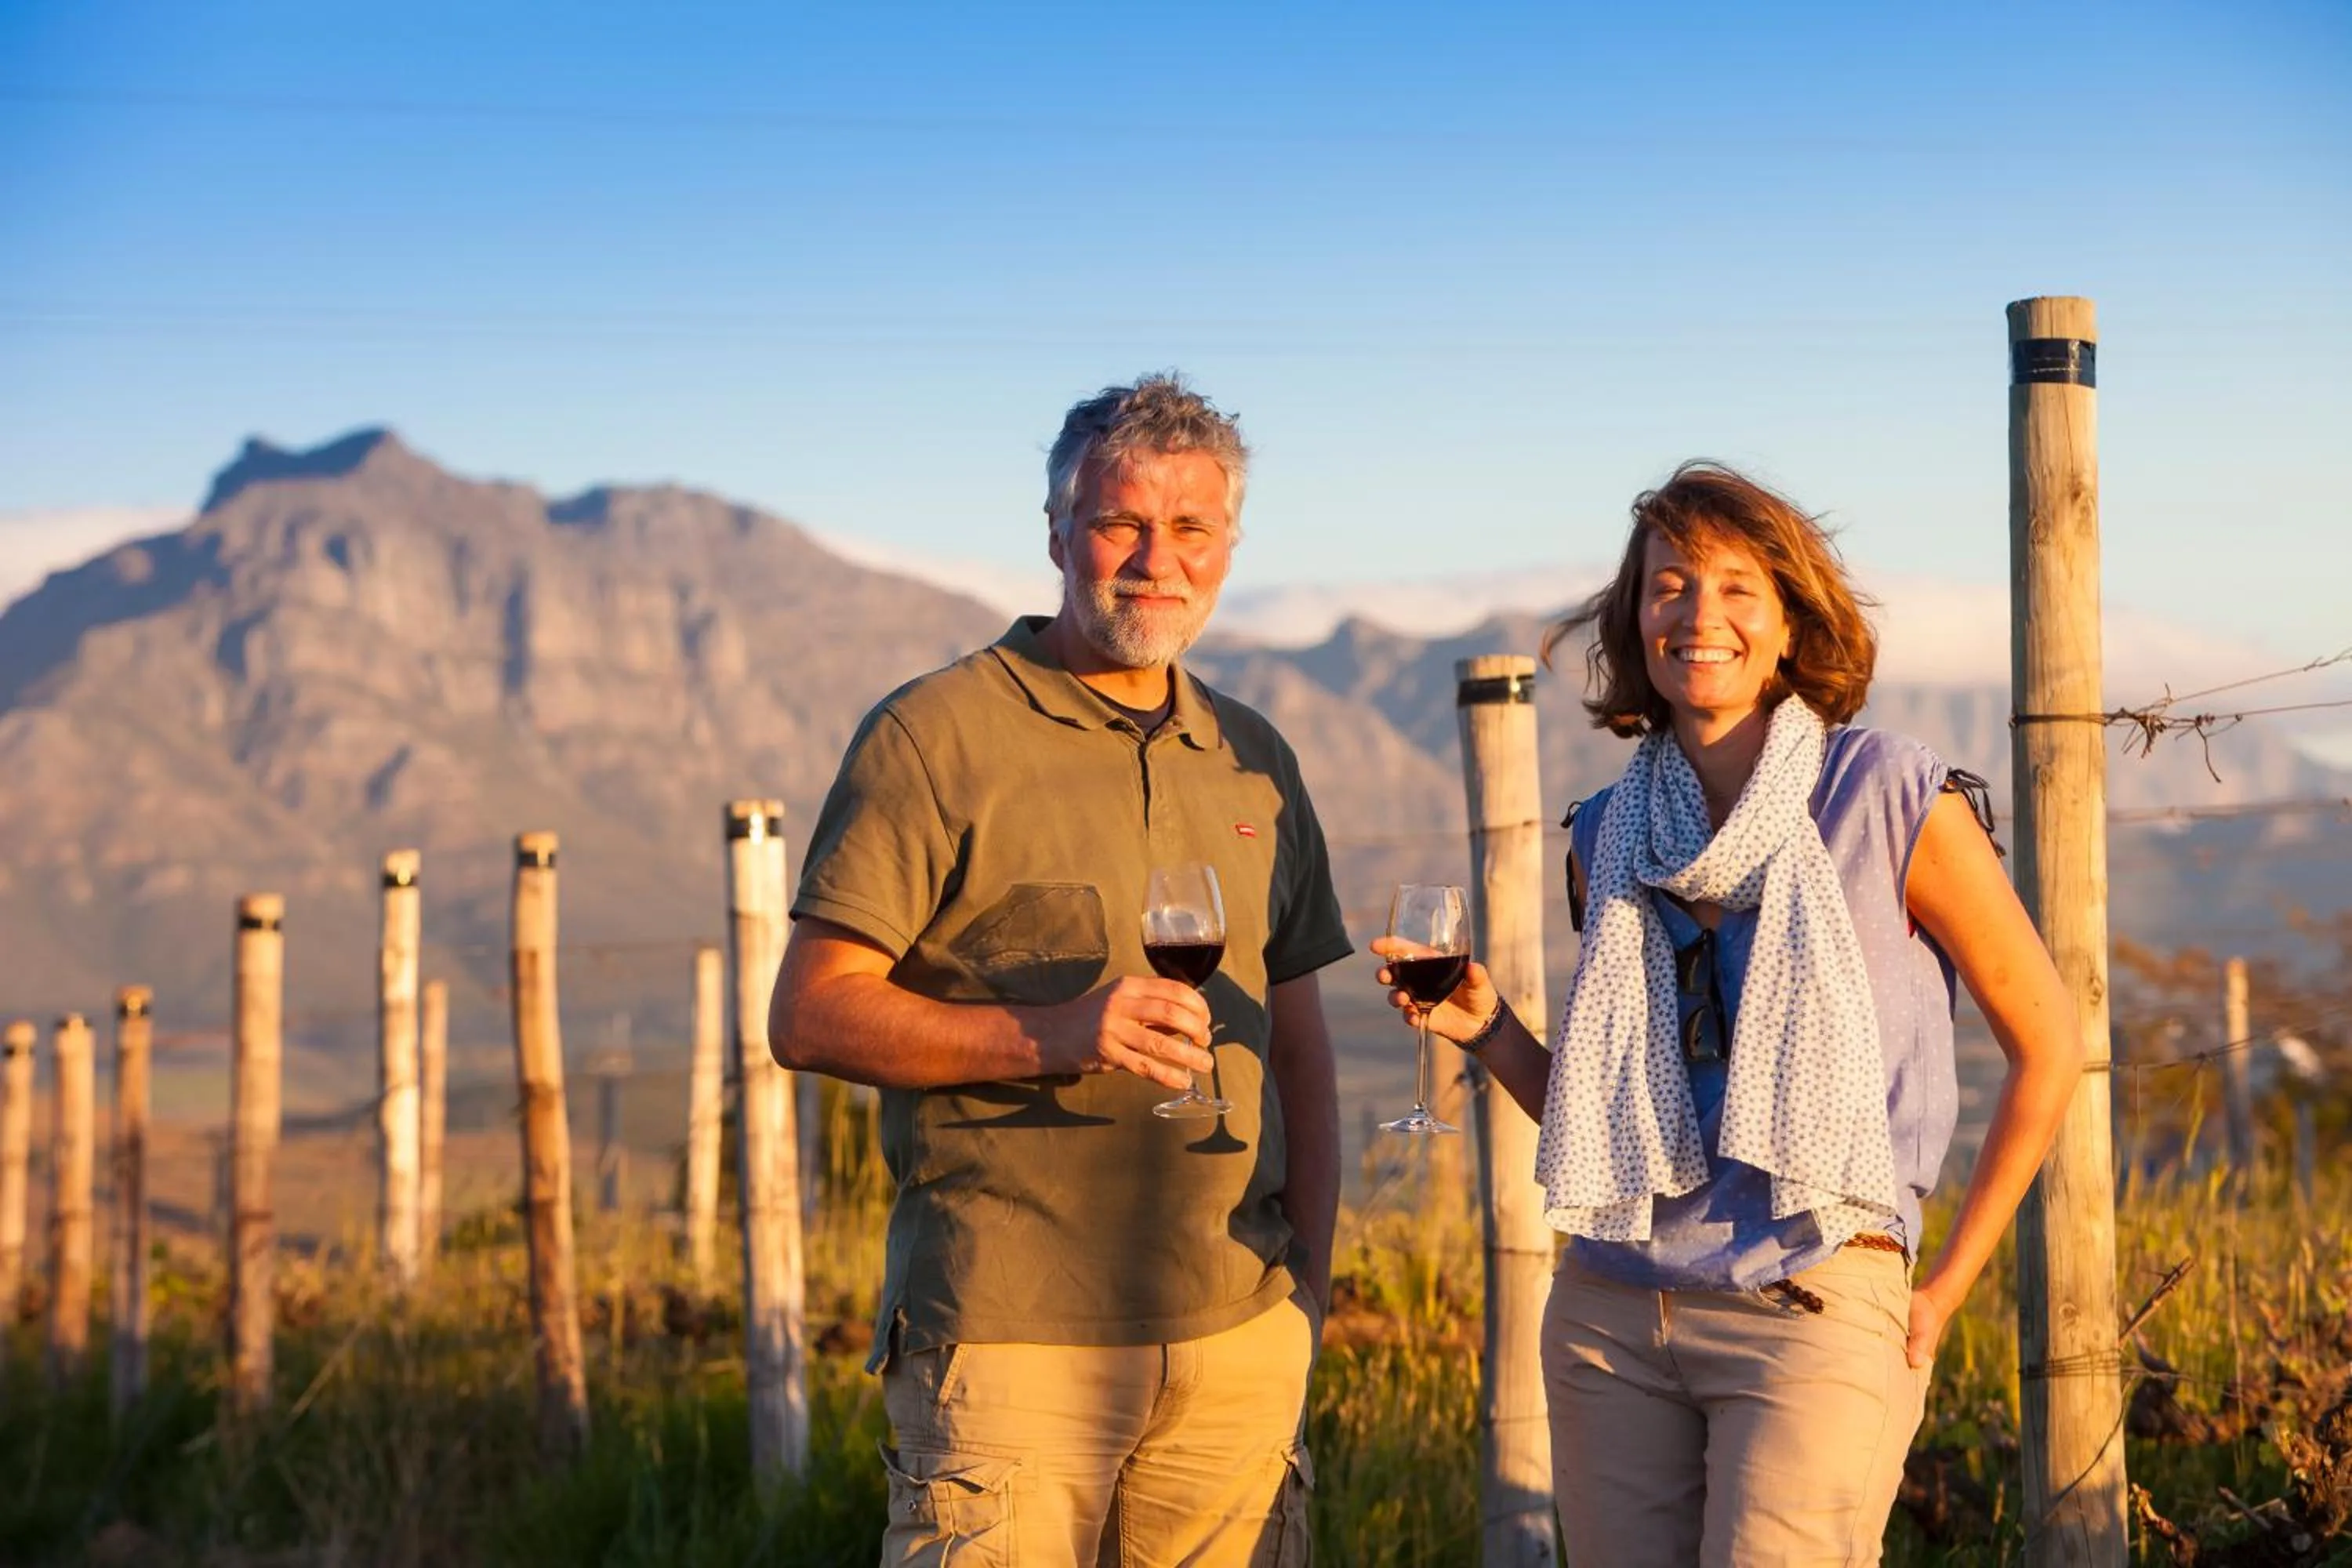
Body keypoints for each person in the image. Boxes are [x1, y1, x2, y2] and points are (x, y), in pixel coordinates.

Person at [1375, 462, 2082, 1566]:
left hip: (1810, 1303)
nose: (1699, 616)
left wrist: (1939, 1291)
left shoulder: (1891, 796)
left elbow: (2051, 1047)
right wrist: (1491, 1030)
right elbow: (1616, 1112)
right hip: (1612, 1312)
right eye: (1668, 587)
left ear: (1793, 622)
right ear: (1635, 618)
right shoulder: (1604, 831)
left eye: (1737, 587)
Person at [771, 374, 1350, 1567]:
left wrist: (1312, 1292)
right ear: (1056, 534)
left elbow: (1299, 1040)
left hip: (1239, 1338)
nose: (1156, 560)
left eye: (1191, 529)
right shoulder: (934, 735)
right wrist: (1056, 1036)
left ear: (1229, 548)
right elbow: (810, 1014)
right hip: (1009, 1344)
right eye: (1120, 523)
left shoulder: (1253, 757)